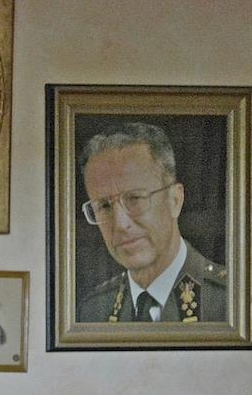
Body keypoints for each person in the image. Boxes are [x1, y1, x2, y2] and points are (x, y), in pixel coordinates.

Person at [74, 121, 229, 325]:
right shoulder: (92, 311)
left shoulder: (230, 301)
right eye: (104, 206)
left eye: (135, 198)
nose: (120, 224)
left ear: (175, 200)